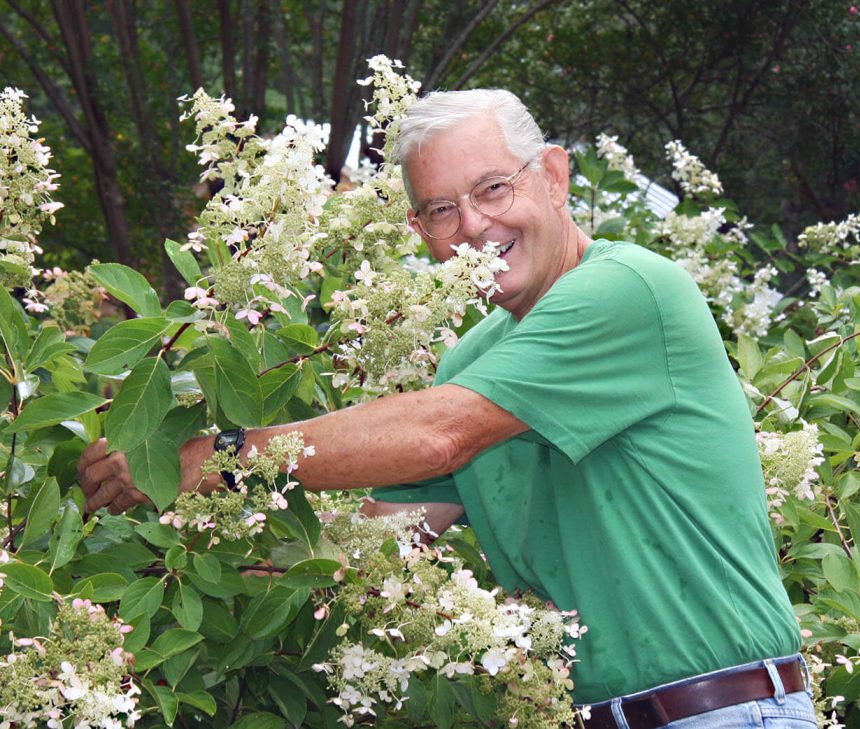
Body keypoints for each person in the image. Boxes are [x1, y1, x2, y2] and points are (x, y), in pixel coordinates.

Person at [78, 89, 813, 728]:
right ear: (419, 231)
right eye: (440, 209)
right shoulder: (473, 359)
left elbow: (437, 435)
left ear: (553, 177)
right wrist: (148, 553)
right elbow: (359, 550)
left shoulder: (628, 292)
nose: (473, 226)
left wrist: (213, 460)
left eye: (495, 188)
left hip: (725, 711)